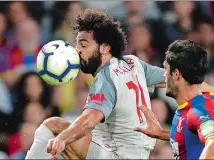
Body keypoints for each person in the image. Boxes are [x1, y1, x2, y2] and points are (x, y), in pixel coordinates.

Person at [26, 9, 214, 159]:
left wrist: (62, 139)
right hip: (136, 153)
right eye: (77, 44)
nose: (77, 50)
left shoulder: (106, 77)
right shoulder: (133, 63)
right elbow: (182, 81)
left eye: (83, 44)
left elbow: (90, 120)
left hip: (115, 154)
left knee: (54, 126)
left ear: (105, 47)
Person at [134, 40, 214, 159]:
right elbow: (191, 136)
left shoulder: (197, 111)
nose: (164, 76)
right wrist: (161, 134)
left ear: (176, 74)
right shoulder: (195, 104)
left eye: (165, 69)